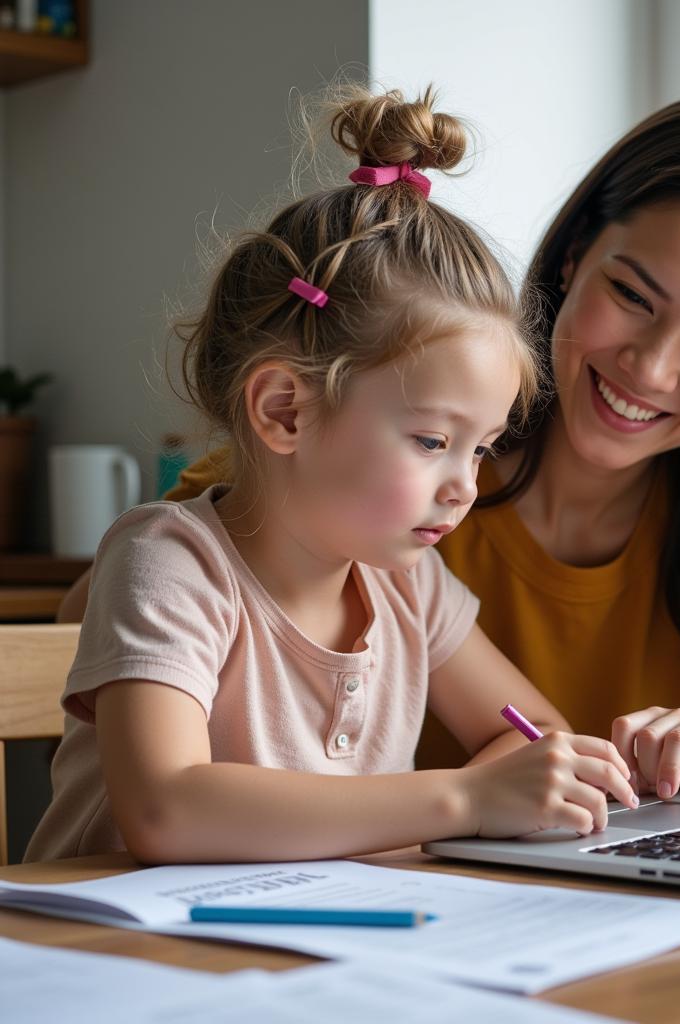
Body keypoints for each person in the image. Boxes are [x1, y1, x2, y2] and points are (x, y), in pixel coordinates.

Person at [26, 86, 639, 865]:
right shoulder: (170, 564)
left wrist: (514, 785)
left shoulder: (408, 588)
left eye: (480, 448)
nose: (465, 487)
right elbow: (167, 810)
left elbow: (535, 734)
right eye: (429, 440)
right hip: (112, 958)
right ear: (285, 410)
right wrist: (465, 799)